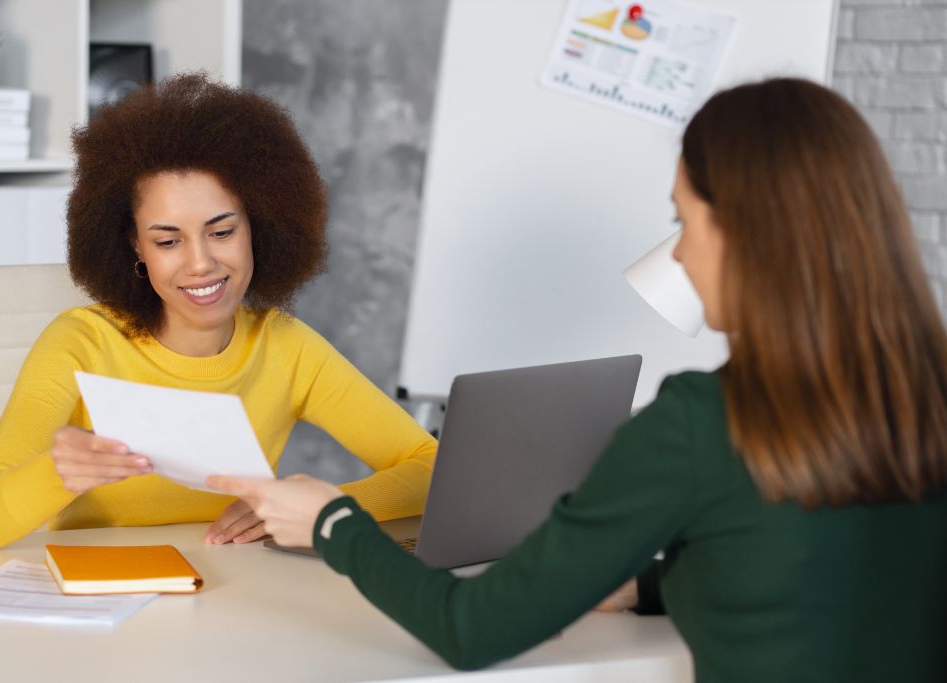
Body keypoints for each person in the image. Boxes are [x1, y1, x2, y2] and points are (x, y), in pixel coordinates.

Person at [208, 78, 947, 681]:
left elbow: (472, 629)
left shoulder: (700, 422)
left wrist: (335, 524)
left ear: (744, 231)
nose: (681, 257)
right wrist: (647, 584)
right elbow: (814, 556)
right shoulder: (926, 395)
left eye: (684, 223)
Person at [0, 74, 437, 551]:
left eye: (222, 232)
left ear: (257, 226)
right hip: (105, 600)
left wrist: (308, 509)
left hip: (237, 598)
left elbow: (431, 465)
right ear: (136, 247)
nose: (201, 263)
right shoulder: (82, 343)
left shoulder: (286, 346)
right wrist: (56, 474)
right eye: (168, 241)